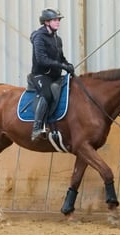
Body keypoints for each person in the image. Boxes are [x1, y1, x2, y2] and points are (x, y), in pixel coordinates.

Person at [30, 8, 74, 141]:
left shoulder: (57, 39)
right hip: (40, 75)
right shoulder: (39, 37)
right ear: (46, 22)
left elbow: (61, 58)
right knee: (47, 95)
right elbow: (41, 59)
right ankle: (37, 127)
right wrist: (61, 65)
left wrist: (68, 65)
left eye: (58, 20)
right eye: (55, 20)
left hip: (55, 76)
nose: (58, 22)